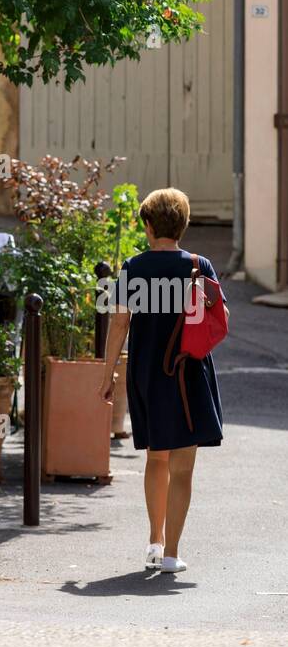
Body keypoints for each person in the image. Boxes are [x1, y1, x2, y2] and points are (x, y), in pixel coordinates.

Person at [98, 187, 223, 573]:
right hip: (189, 375)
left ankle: (154, 541)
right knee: (183, 468)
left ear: (148, 226)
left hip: (148, 372)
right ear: (183, 225)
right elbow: (216, 320)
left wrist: (107, 375)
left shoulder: (133, 269)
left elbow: (119, 324)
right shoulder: (200, 267)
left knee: (156, 458)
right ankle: (172, 553)